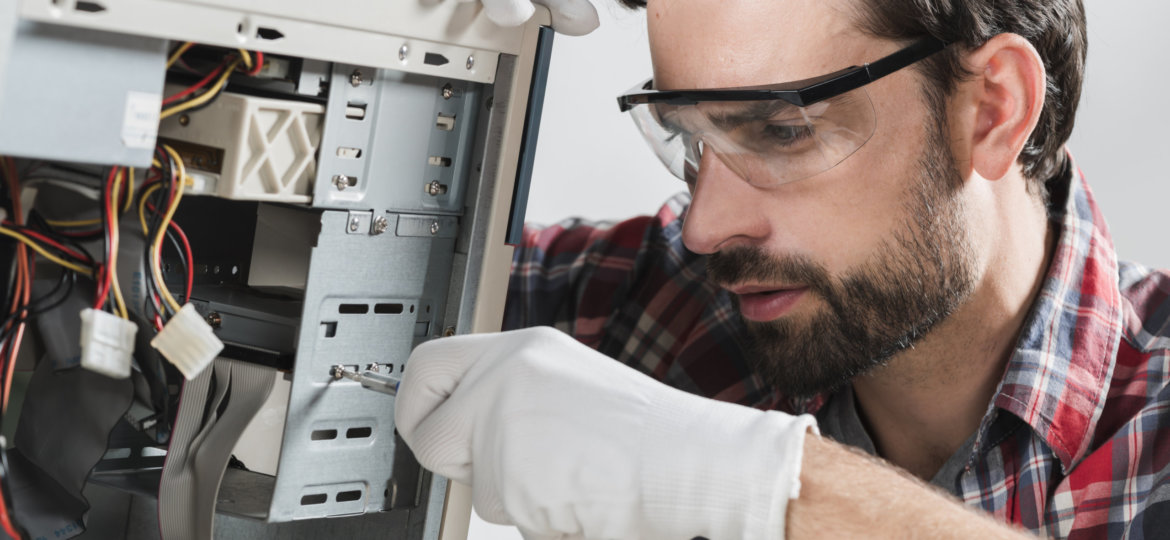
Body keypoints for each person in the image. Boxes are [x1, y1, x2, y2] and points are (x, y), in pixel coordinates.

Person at [395, 0, 1170, 538]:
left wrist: (751, 484)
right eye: (692, 139)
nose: (705, 226)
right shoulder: (665, 307)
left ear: (992, 109)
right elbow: (335, 272)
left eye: (781, 131)